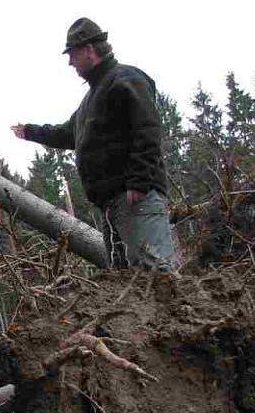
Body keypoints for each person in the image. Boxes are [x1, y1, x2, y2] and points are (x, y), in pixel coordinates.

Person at [12, 18, 176, 270]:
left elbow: (148, 130)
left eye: (72, 54)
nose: (70, 62)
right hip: (110, 206)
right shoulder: (91, 99)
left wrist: (140, 183)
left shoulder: (126, 79)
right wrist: (30, 132)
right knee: (126, 285)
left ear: (89, 50)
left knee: (156, 275)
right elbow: (68, 134)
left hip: (136, 199)